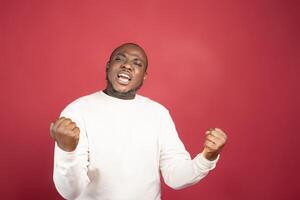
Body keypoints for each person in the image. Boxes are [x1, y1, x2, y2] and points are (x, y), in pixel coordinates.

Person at [50, 43, 227, 200]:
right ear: (108, 67)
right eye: (120, 59)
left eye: (137, 63)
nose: (127, 65)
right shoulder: (77, 111)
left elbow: (176, 177)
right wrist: (68, 152)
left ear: (144, 76)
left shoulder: (158, 114)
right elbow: (70, 192)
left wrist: (208, 157)